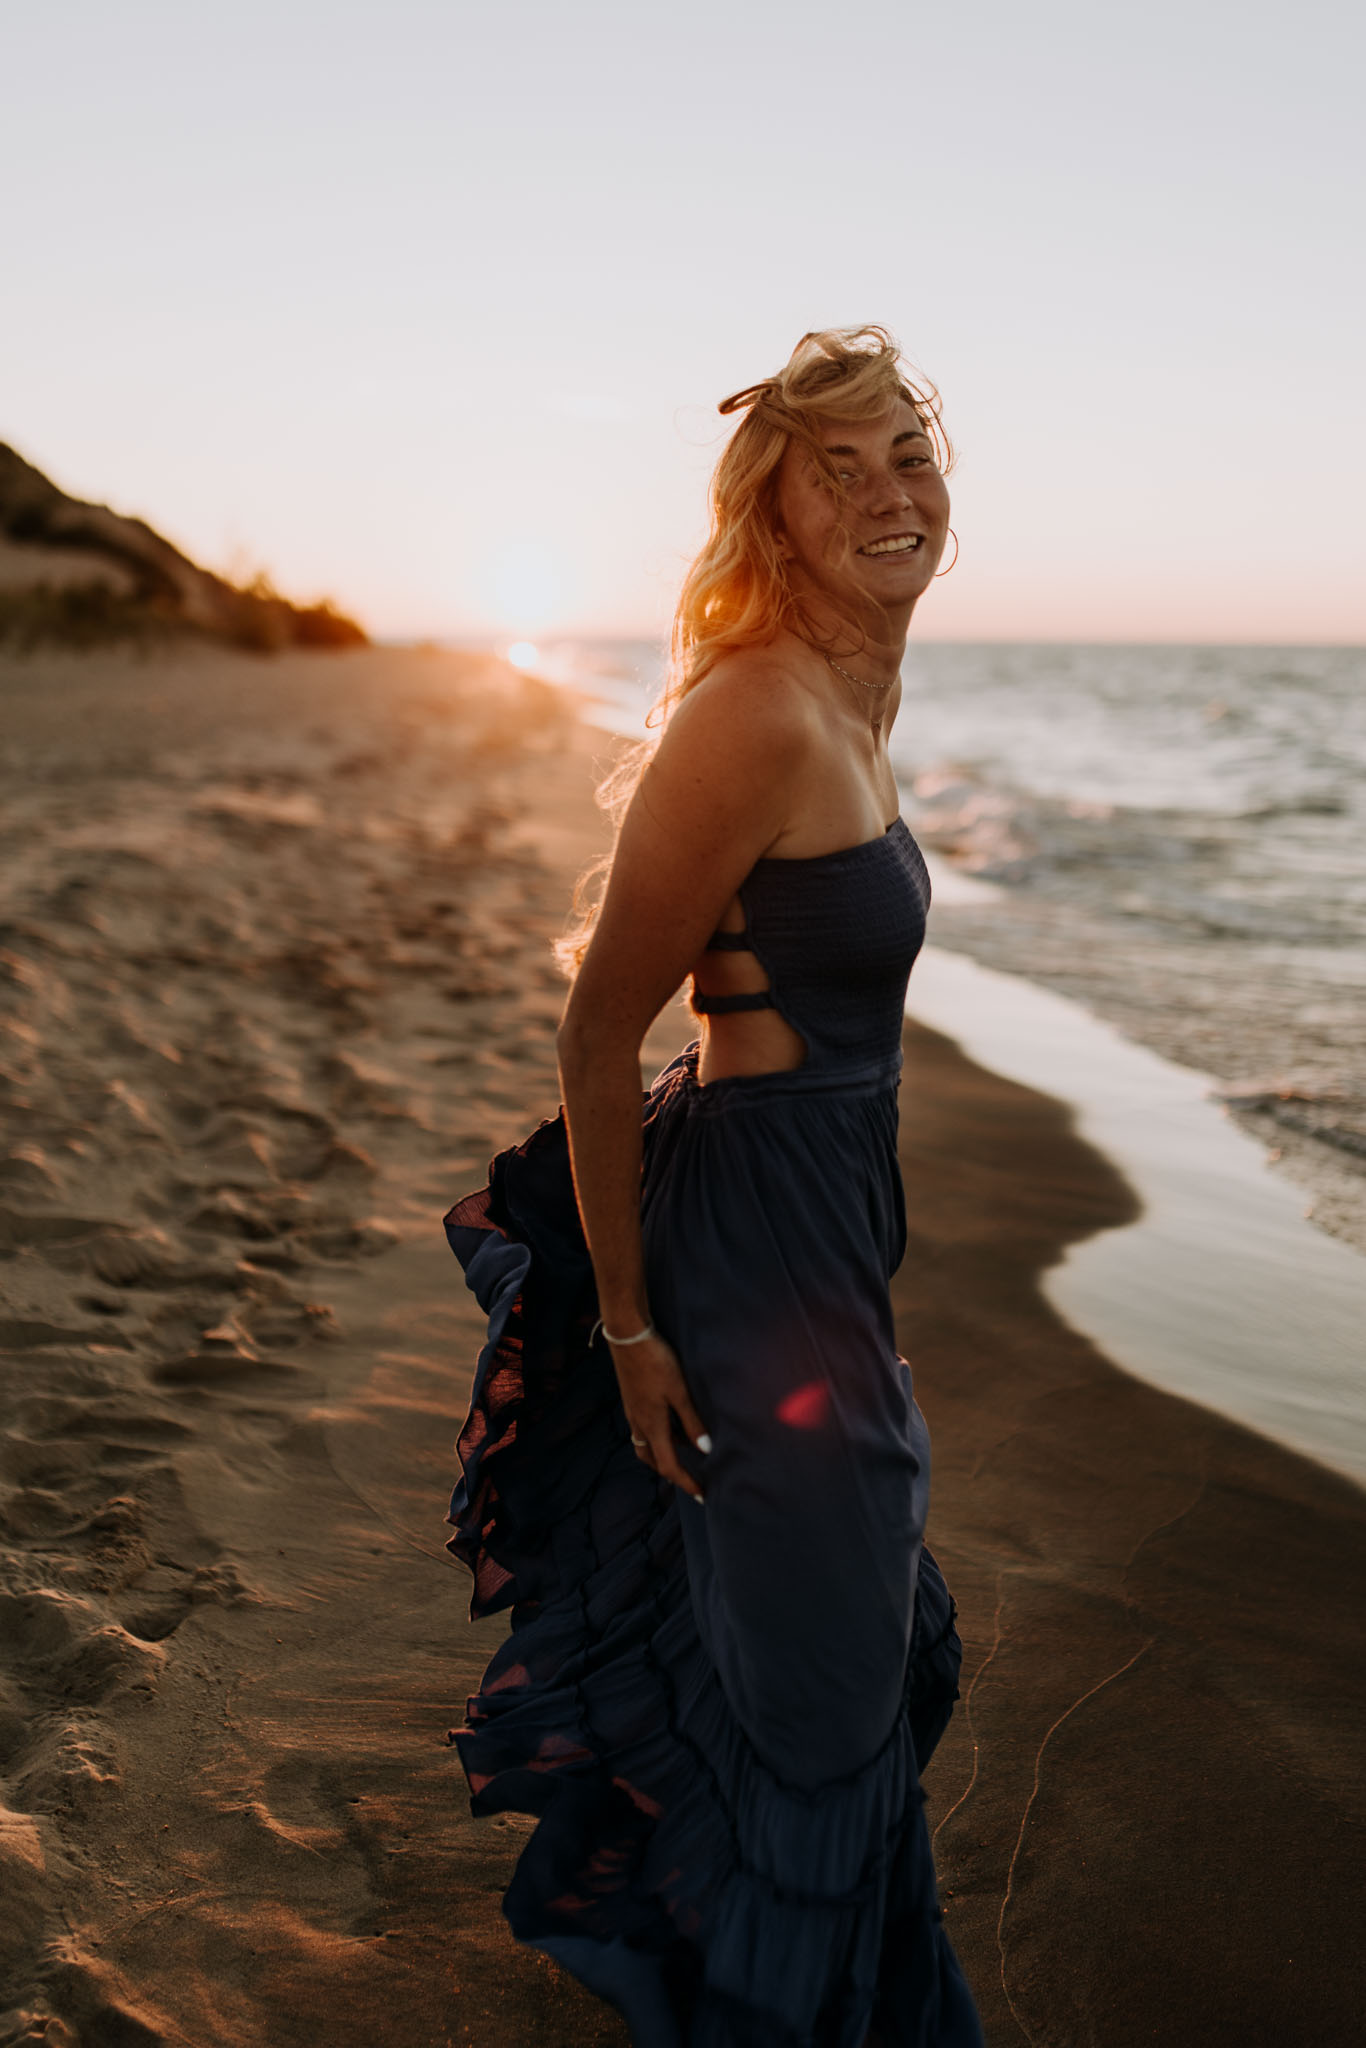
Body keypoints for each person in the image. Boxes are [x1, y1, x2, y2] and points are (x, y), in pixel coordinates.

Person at [442, 327, 984, 2047]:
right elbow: (601, 1029)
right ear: (776, 510)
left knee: (850, 1631)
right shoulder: (753, 710)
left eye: (908, 452)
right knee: (826, 1672)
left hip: (827, 1230)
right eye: (844, 468)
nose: (892, 492)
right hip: (753, 1256)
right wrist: (626, 1323)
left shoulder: (851, 692)